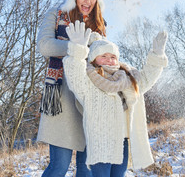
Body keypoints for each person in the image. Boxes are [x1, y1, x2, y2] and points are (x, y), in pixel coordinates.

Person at [62, 21, 168, 176]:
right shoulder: (88, 82)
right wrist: (78, 51)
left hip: (122, 140)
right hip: (100, 143)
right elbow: (74, 75)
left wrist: (156, 57)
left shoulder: (128, 79)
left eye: (112, 56)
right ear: (93, 59)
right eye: (103, 56)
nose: (109, 59)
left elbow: (146, 80)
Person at [37, 0, 107, 176]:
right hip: (62, 96)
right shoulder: (55, 14)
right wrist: (76, 47)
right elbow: (44, 46)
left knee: (86, 168)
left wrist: (99, 47)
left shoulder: (99, 23)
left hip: (90, 98)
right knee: (59, 165)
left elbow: (103, 59)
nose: (88, 0)